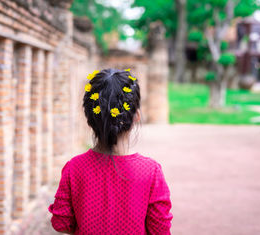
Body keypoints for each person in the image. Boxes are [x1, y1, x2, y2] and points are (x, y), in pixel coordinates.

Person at [48, 68, 173, 234]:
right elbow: (160, 229)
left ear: (89, 117)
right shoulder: (151, 172)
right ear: (136, 115)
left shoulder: (74, 168)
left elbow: (61, 223)